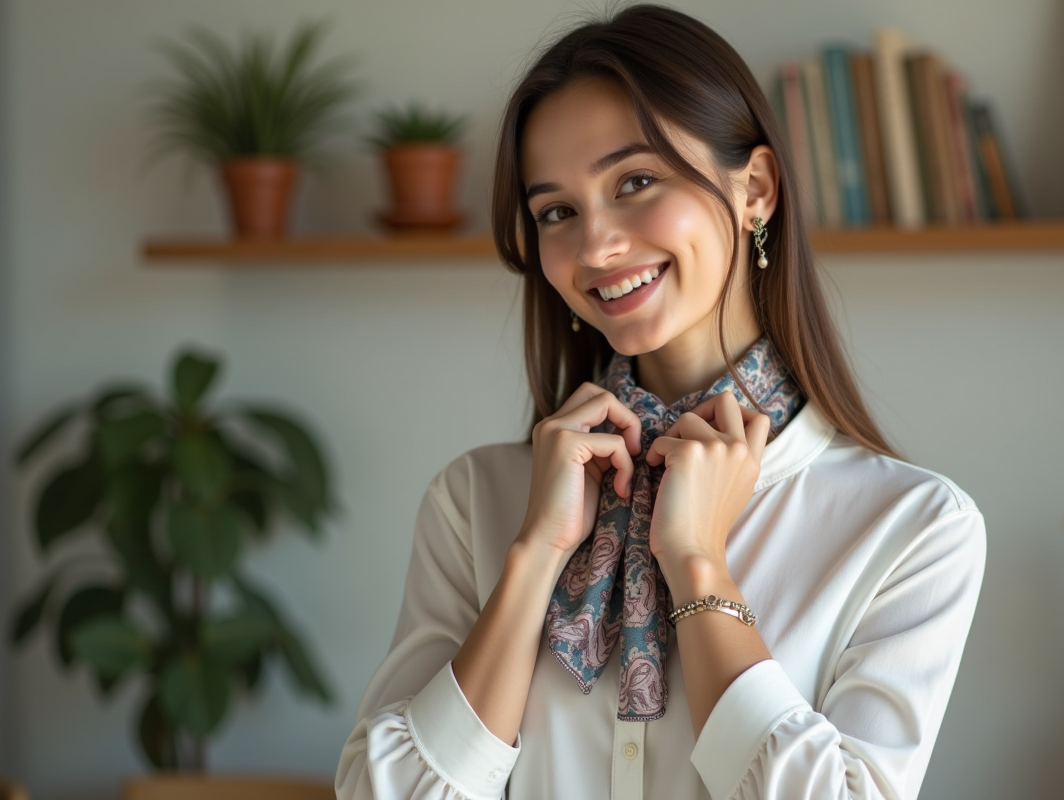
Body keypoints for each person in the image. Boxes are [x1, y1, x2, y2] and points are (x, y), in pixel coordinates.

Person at [335, 5, 985, 799]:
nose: (596, 245)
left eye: (636, 181)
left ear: (756, 190)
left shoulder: (911, 529)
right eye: (556, 212)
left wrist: (697, 562)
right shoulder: (475, 503)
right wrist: (536, 555)